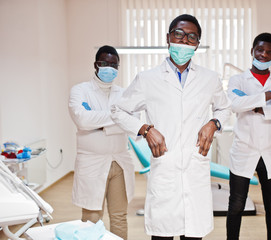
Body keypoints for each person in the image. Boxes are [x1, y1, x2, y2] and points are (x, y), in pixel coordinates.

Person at [111, 14, 231, 240]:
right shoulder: (148, 79)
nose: (184, 40)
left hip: (195, 169)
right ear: (168, 37)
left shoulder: (209, 78)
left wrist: (213, 123)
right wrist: (145, 129)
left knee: (193, 234)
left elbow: (225, 109)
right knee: (162, 234)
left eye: (192, 37)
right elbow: (118, 110)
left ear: (197, 44)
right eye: (179, 34)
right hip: (166, 169)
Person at [226, 33, 271, 240]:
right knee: (236, 205)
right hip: (244, 149)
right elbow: (234, 105)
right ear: (252, 51)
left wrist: (254, 105)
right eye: (260, 50)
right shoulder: (237, 79)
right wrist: (269, 97)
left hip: (270, 151)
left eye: (269, 51)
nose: (264, 55)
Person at [68, 45, 135, 240]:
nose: (109, 68)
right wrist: (117, 118)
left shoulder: (124, 94)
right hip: (91, 162)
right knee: (91, 218)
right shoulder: (80, 90)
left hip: (119, 162)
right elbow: (81, 119)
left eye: (113, 64)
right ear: (96, 65)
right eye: (104, 63)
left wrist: (98, 123)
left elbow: (132, 122)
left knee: (119, 217)